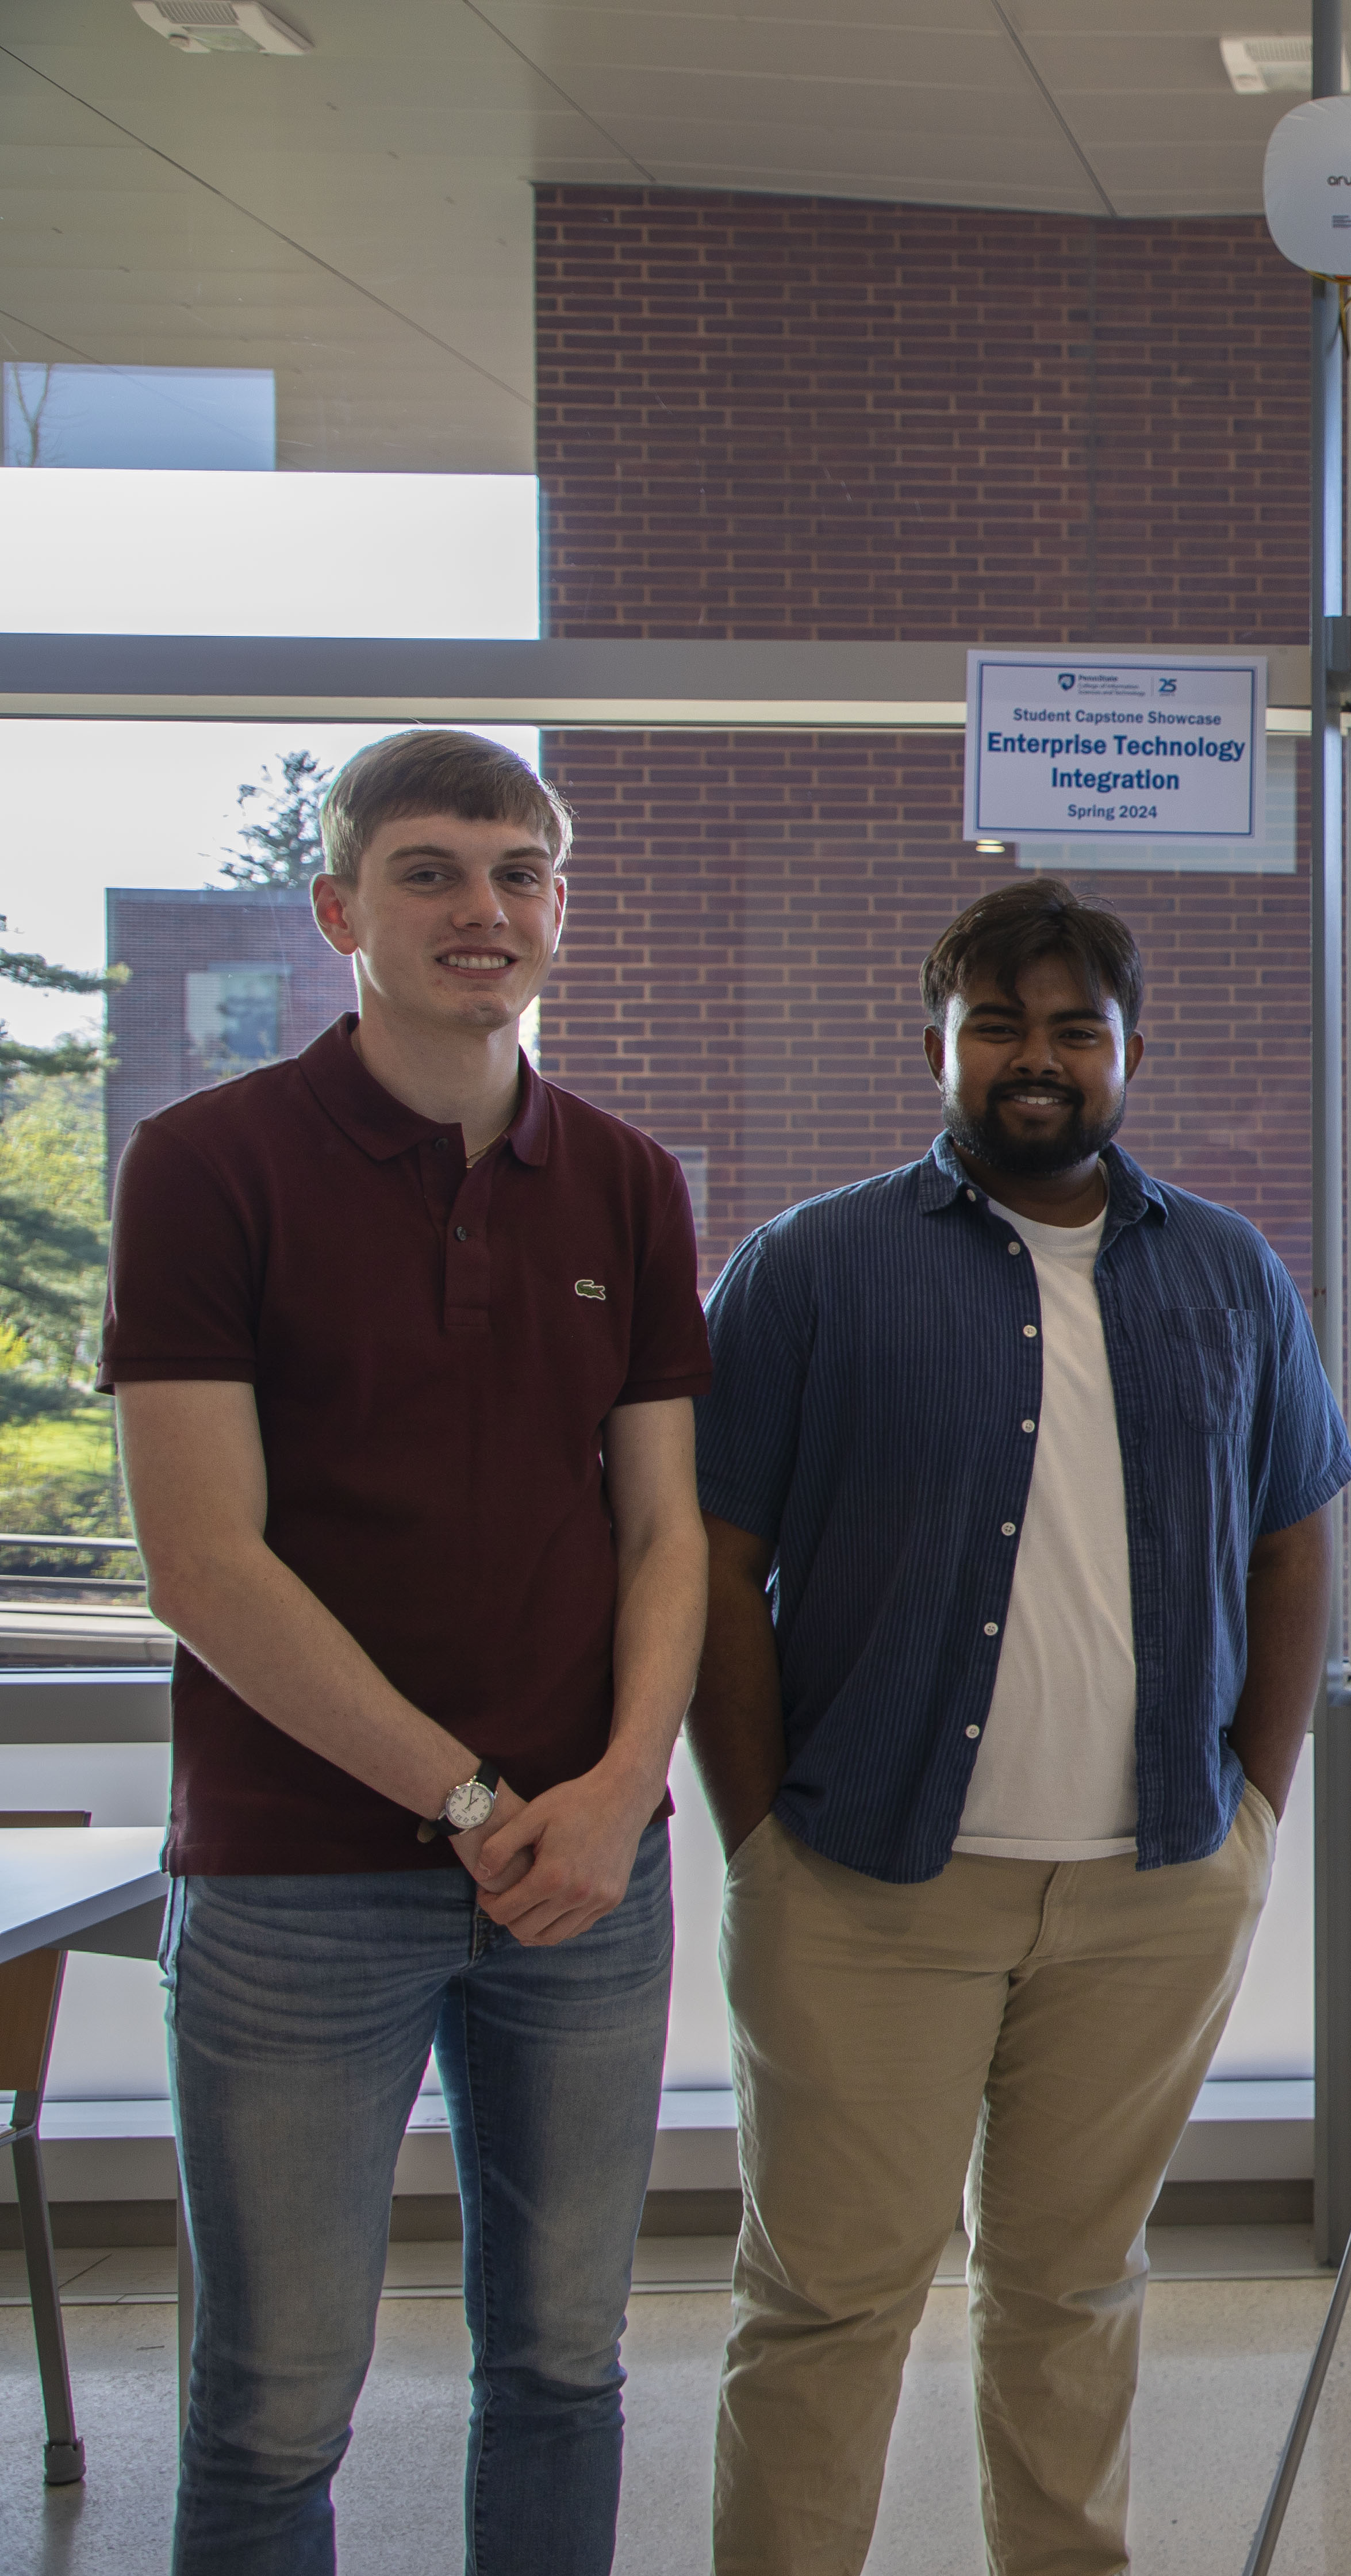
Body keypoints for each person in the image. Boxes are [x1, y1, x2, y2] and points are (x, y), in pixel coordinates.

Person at [691, 877, 1351, 2575]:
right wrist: (758, 1832)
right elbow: (709, 1560)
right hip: (864, 1886)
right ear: (939, 1046)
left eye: (1073, 1028)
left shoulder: (1228, 1271)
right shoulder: (809, 1267)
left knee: (1075, 2292)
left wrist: (1253, 1816)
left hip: (1151, 1890)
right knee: (830, 2302)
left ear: (1132, 1053)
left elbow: (1296, 1539)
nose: (1035, 1060)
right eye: (998, 1026)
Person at [105, 728, 707, 2574]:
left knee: (561, 2364)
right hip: (300, 1880)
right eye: (433, 869)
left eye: (520, 872)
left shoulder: (623, 1181)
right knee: (276, 2403)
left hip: (586, 1879)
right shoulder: (208, 1166)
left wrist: (612, 1797)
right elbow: (203, 1564)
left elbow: (668, 1533)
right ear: (338, 906)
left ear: (559, 914)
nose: (482, 908)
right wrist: (466, 1799)